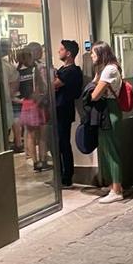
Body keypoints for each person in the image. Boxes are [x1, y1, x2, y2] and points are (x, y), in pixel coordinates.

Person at [90, 42, 125, 204]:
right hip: (109, 112)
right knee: (108, 150)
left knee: (112, 152)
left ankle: (117, 189)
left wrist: (95, 81)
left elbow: (94, 95)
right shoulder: (108, 68)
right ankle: (113, 185)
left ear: (102, 54)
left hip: (110, 113)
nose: (91, 56)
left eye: (93, 53)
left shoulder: (109, 70)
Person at [53, 40, 83, 187]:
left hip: (63, 110)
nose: (59, 51)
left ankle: (66, 176)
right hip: (59, 109)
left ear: (69, 53)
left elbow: (53, 85)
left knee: (63, 143)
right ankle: (63, 175)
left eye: (62, 49)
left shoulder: (72, 71)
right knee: (59, 143)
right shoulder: (63, 70)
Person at [17, 46, 50, 171]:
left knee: (30, 135)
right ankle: (43, 160)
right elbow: (40, 86)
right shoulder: (34, 70)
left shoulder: (18, 71)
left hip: (26, 104)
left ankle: (35, 162)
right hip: (37, 103)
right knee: (42, 135)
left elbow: (15, 90)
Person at [0, 40, 21, 152]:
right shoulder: (7, 65)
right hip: (5, 102)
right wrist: (10, 94)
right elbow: (15, 80)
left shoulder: (6, 65)